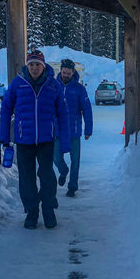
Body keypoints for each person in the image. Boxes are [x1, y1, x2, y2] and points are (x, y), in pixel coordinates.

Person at [0, 50, 70, 229]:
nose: (34, 68)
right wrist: (5, 138)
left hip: (46, 139)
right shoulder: (18, 83)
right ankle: (31, 212)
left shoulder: (53, 85)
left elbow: (63, 114)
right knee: (27, 178)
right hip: (24, 140)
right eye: (31, 64)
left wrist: (65, 141)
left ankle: (48, 210)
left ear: (44, 65)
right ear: (27, 66)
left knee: (47, 176)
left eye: (37, 64)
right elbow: (6, 109)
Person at [54, 58, 93, 197]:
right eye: (64, 72)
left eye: (68, 73)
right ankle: (63, 171)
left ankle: (72, 187)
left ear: (73, 73)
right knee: (56, 158)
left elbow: (87, 110)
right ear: (61, 71)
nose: (66, 75)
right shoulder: (53, 86)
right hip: (58, 132)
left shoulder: (79, 89)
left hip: (74, 131)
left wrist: (88, 130)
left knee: (75, 161)